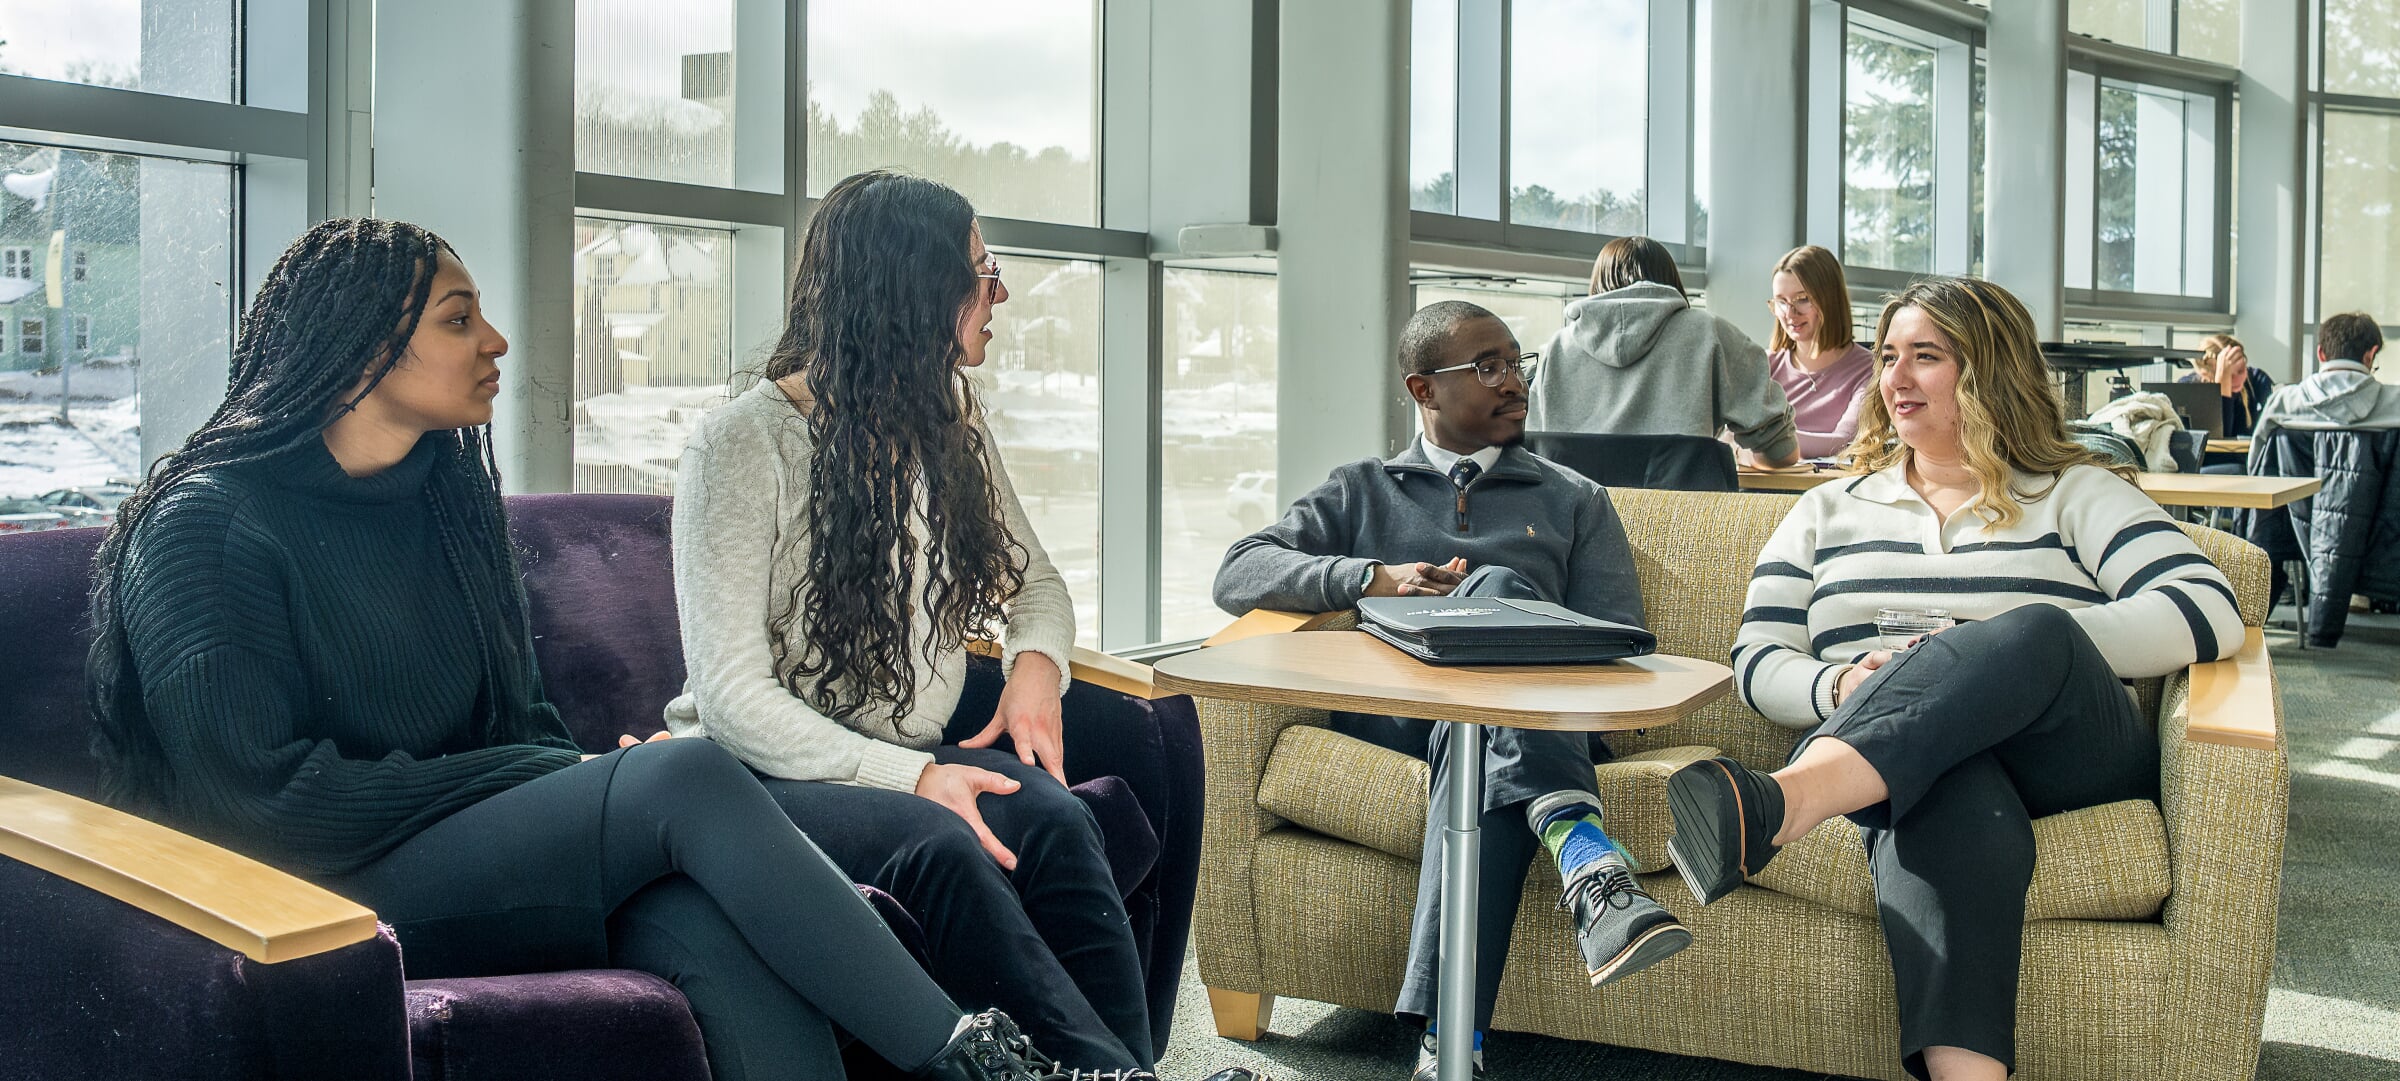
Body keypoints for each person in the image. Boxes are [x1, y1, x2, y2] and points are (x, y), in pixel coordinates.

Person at [85, 218, 1078, 1081]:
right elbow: (264, 806)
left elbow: (521, 722)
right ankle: (983, 1061)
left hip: (450, 859)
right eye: (458, 319)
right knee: (683, 778)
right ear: (358, 351)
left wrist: (555, 778)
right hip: (302, 895)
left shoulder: (445, 499)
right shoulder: (204, 528)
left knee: (700, 914)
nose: (497, 340)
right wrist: (556, 780)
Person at [1672, 277, 2242, 1081]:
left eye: (1926, 357)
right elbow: (1758, 657)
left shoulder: (2074, 492)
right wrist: (1839, 687)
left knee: (2034, 628)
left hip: (2066, 755)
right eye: (1890, 357)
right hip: (1901, 763)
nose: (1895, 378)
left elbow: (2207, 607)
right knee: (1947, 783)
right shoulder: (1824, 510)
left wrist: (1980, 653)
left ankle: (1786, 800)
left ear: (1987, 371)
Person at [668, 171, 1159, 1076]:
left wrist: (1035, 669)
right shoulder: (740, 445)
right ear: (910, 291)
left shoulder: (949, 418)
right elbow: (733, 700)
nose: (998, 291)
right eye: (980, 271)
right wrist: (912, 775)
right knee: (943, 840)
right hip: (760, 779)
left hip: (901, 755)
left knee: (1052, 817)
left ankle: (1130, 1067)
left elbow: (1036, 583)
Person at [1214, 300, 1690, 1081]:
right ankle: (1581, 848)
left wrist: (1505, 621)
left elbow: (1622, 641)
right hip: (1399, 716)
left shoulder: (1574, 498)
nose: (1515, 382)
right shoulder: (1362, 489)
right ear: (1423, 388)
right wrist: (1373, 576)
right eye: (1489, 367)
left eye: (1517, 362)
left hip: (1539, 720)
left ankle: (1448, 1050)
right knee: (1491, 628)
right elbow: (1238, 570)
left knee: (1480, 737)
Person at [1526, 235, 1800, 467]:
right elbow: (1780, 452)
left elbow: (1536, 456)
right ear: (1671, 279)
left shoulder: (1558, 349)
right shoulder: (1709, 333)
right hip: (1682, 523)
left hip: (1576, 525)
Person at [1764, 244, 1873, 459]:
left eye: (1802, 299)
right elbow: (1729, 437)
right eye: (1781, 302)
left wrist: (1762, 441)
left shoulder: (1869, 370)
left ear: (1830, 300)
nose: (1790, 313)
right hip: (1756, 491)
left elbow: (1844, 442)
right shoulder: (1765, 365)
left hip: (1829, 489)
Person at [2252, 312, 2399, 433]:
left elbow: (2257, 465)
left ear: (2320, 353)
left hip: (2301, 470)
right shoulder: (2395, 403)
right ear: (2370, 356)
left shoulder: (2284, 402)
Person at [2177, 333, 2275, 439]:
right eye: (2229, 376)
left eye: (2241, 370)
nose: (2237, 379)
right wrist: (2222, 389)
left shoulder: (2256, 380)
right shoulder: (2190, 389)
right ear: (2206, 376)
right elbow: (2221, 441)